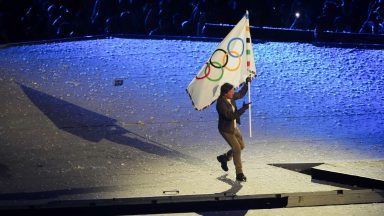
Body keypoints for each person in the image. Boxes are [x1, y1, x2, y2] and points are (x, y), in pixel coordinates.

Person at [216, 77, 252, 182]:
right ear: (225, 93)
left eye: (233, 91)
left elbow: (240, 94)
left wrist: (246, 84)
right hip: (226, 130)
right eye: (231, 91)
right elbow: (230, 116)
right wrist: (243, 109)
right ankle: (239, 173)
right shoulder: (221, 103)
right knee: (237, 149)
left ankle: (225, 158)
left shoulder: (230, 97)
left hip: (234, 127)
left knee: (241, 146)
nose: (233, 93)